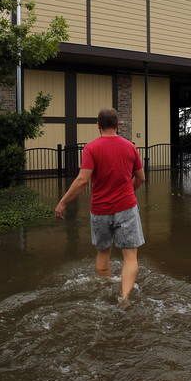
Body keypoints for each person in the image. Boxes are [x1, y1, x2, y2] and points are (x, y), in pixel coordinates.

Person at [54, 108, 146, 306]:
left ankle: (104, 291)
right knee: (130, 257)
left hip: (100, 209)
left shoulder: (91, 148)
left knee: (103, 251)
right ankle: (125, 297)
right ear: (117, 124)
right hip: (126, 208)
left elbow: (82, 180)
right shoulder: (130, 147)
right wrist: (129, 191)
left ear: (98, 125)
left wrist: (62, 202)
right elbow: (141, 178)